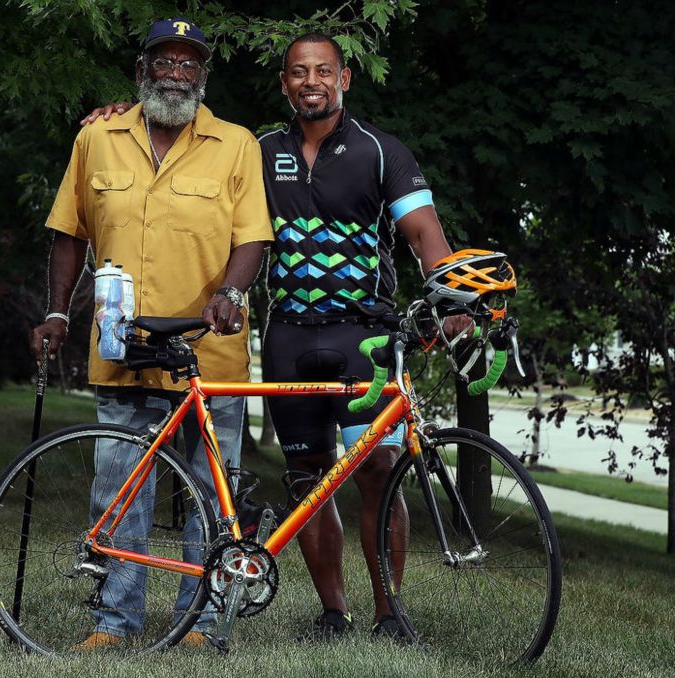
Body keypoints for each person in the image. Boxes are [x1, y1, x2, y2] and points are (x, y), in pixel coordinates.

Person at [82, 32, 464, 643]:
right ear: (284, 84)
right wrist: (117, 113)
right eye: (298, 73)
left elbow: (424, 234)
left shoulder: (383, 151)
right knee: (306, 479)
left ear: (344, 80)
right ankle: (333, 613)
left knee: (378, 472)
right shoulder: (257, 150)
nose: (311, 81)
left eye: (323, 71)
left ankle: (390, 613)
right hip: (288, 335)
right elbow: (187, 146)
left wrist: (448, 292)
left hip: (363, 334)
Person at [30, 17, 272, 650]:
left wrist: (231, 293)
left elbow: (252, 236)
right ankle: (114, 623)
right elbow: (68, 232)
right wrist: (57, 312)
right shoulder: (96, 138)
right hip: (124, 349)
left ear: (204, 76)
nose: (177, 73)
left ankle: (203, 623)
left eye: (189, 64)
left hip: (210, 353)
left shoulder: (236, 143)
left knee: (212, 494)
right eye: (164, 62)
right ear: (141, 73)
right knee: (120, 486)